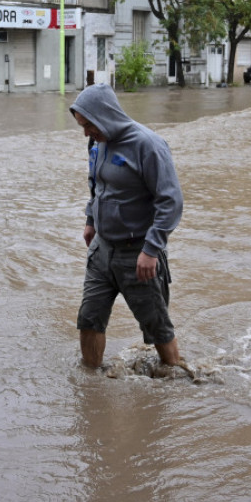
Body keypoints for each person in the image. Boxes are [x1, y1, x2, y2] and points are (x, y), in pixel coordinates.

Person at [69, 83, 184, 370]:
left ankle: (176, 375)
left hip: (138, 253)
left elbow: (171, 201)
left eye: (89, 125)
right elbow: (97, 186)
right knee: (89, 318)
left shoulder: (149, 145)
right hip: (102, 250)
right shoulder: (98, 142)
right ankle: (90, 383)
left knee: (156, 325)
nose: (86, 133)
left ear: (106, 115)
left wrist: (152, 250)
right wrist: (90, 221)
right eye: (82, 126)